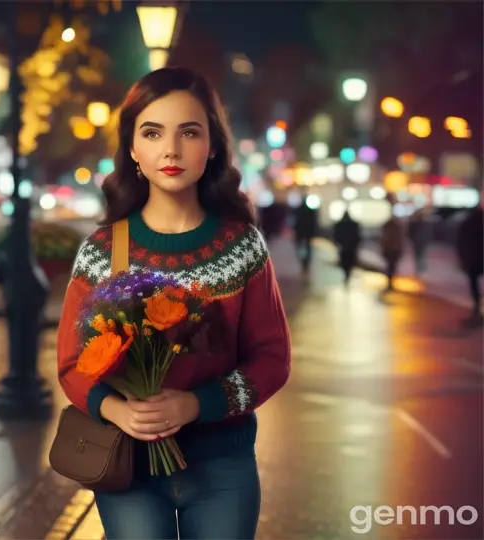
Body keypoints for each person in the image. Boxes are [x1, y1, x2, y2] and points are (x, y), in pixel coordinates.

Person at [56, 67, 291, 539]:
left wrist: (195, 405)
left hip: (224, 466)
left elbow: (272, 359)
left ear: (213, 146)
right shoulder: (102, 251)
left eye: (189, 132)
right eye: (152, 132)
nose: (171, 149)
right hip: (129, 467)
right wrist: (115, 409)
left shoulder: (242, 246)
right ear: (133, 150)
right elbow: (71, 365)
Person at [455, 203, 483, 323]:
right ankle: (477, 309)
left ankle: (477, 308)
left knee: (474, 286)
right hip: (476, 258)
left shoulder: (468, 223)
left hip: (473, 259)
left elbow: (461, 241)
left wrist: (463, 259)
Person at [333, 209, 362, 285]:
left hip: (344, 247)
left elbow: (336, 235)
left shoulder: (339, 225)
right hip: (351, 247)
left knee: (344, 262)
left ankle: (346, 275)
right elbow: (358, 236)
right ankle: (347, 275)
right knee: (350, 262)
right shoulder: (354, 225)